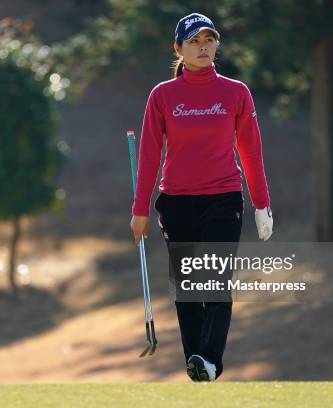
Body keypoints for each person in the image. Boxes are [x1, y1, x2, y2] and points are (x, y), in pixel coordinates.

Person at [129, 12, 274, 382]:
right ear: (178, 48)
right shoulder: (162, 96)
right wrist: (139, 210)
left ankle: (209, 359)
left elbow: (251, 150)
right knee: (189, 289)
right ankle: (196, 362)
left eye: (209, 39)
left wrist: (261, 203)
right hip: (176, 203)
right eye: (193, 41)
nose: (203, 46)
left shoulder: (235, 92)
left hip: (223, 199)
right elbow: (148, 155)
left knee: (216, 281)